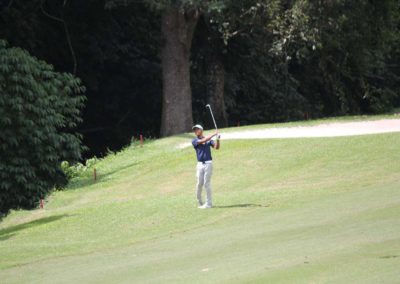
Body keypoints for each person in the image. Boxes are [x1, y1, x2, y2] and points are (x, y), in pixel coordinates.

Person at [191, 124, 220, 209]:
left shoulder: (209, 140)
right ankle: (200, 201)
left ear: (201, 130)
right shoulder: (194, 140)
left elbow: (216, 147)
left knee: (206, 183)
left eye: (197, 129)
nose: (196, 131)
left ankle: (208, 204)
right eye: (195, 130)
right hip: (200, 165)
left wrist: (217, 139)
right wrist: (214, 134)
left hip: (208, 163)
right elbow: (203, 141)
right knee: (199, 183)